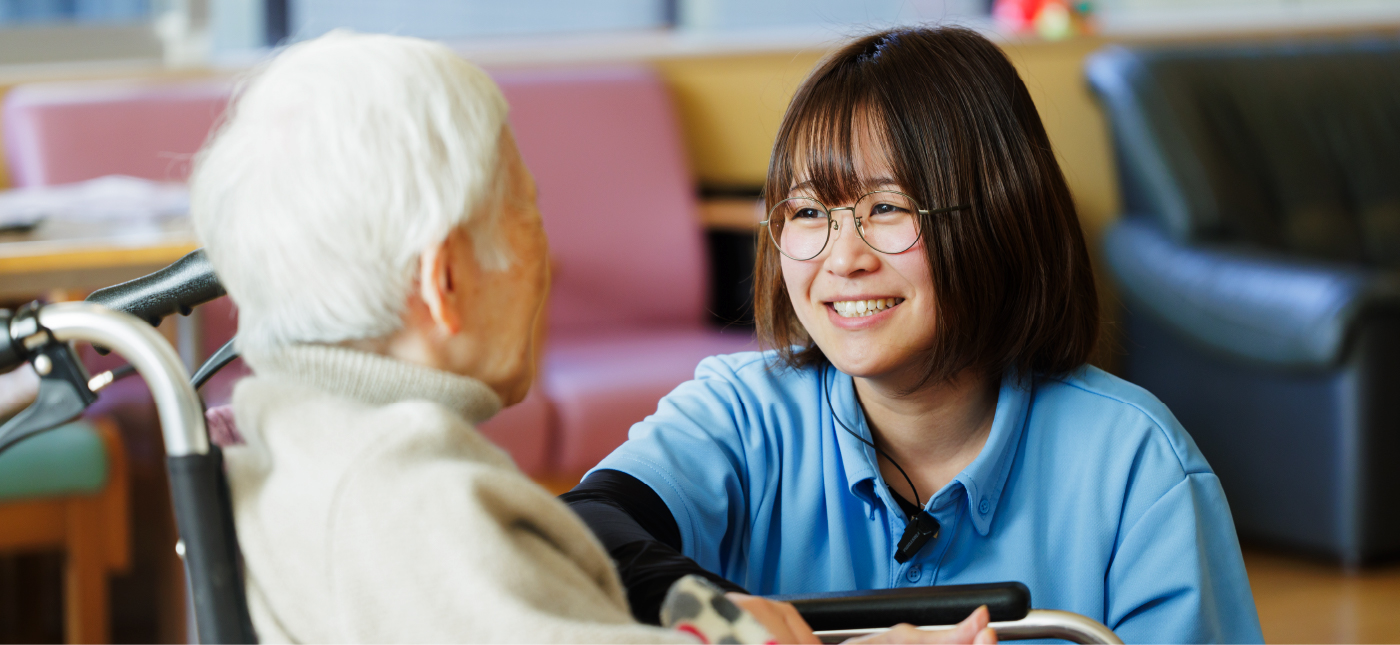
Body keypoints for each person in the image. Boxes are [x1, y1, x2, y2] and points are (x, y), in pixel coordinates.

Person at [190, 30, 994, 644]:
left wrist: (705, 613)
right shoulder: (419, 507)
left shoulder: (285, 451)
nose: (549, 254)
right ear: (444, 281)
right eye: (529, 211)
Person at [564, 25, 1265, 644]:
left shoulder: (1138, 466)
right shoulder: (742, 417)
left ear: (1000, 214)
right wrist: (715, 611)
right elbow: (576, 534)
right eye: (809, 211)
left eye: (887, 206)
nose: (842, 258)